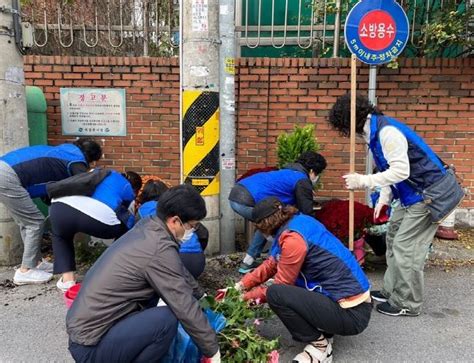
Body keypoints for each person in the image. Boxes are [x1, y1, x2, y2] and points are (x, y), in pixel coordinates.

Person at [66, 185, 221, 362]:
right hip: (91, 345)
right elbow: (183, 303)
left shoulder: (150, 226)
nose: (192, 231)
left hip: (91, 331)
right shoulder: (158, 248)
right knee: (166, 320)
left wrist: (202, 296)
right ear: (175, 221)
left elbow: (178, 271)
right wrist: (213, 350)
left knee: (157, 305)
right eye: (192, 226)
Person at [329, 93, 449, 317]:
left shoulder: (387, 133)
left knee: (406, 247)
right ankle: (392, 290)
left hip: (428, 194)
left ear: (348, 121)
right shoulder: (374, 132)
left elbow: (401, 170)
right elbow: (388, 168)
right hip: (410, 194)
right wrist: (384, 197)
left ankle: (408, 303)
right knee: (393, 237)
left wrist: (363, 181)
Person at [234, 197, 371, 363]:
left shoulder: (292, 240)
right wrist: (240, 286)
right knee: (287, 287)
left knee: (276, 294)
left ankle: (321, 347)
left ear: (265, 226)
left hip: (352, 313)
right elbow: (271, 264)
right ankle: (325, 326)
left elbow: (281, 286)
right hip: (350, 302)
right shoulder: (297, 222)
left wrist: (244, 299)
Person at [0, 138, 102, 285]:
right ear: (90, 158)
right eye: (93, 162)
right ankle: (25, 270)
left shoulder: (62, 152)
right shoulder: (76, 159)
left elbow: (49, 188)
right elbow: (84, 183)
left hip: (5, 172)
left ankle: (36, 262)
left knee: (26, 222)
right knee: (34, 222)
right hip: (7, 177)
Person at [228, 151, 327, 273]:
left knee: (266, 223)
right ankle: (274, 266)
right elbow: (307, 212)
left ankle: (248, 262)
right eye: (318, 173)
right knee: (278, 225)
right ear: (312, 171)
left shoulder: (287, 172)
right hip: (247, 200)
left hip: (236, 196)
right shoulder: (302, 180)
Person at [50, 170, 142, 291]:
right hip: (98, 219)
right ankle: (112, 271)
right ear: (135, 187)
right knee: (125, 231)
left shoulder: (102, 172)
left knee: (61, 236)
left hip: (60, 207)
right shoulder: (127, 187)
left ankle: (68, 281)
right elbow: (128, 216)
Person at [137, 179, 209, 278]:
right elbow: (203, 232)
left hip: (168, 260)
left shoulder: (142, 211)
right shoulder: (178, 208)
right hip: (196, 260)